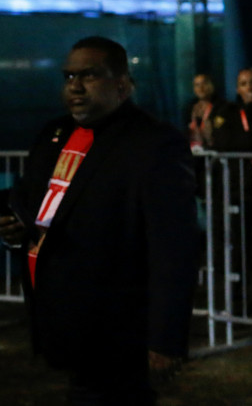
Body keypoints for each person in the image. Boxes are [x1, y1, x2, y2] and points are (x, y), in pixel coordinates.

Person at [0, 36, 200, 405]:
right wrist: (16, 229)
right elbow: (31, 204)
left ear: (122, 84)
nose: (75, 86)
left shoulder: (153, 145)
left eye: (89, 75)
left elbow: (175, 250)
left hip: (117, 327)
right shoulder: (52, 135)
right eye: (69, 76)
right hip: (62, 319)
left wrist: (164, 338)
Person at [187, 72, 223, 151]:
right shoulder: (190, 107)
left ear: (212, 85)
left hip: (214, 151)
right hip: (194, 151)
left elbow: (219, 128)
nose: (201, 88)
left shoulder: (222, 107)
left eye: (204, 83)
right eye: (197, 85)